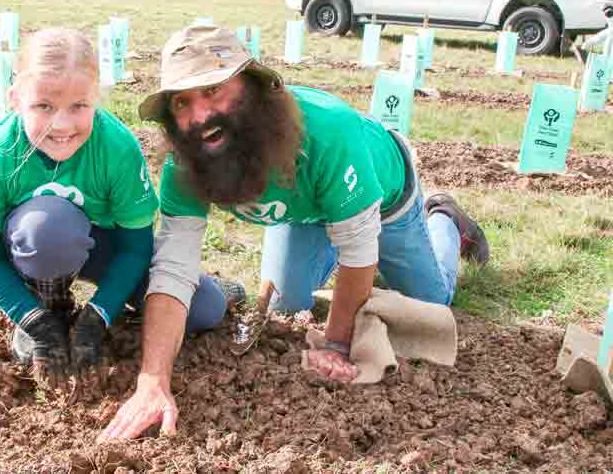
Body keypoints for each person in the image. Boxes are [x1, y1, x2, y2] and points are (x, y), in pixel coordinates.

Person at [98, 25, 489, 441]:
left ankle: (444, 219)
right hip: (303, 214)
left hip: (384, 195)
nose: (199, 115)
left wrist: (336, 344)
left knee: (432, 300)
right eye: (182, 102)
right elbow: (173, 267)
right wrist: (152, 381)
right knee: (287, 306)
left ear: (251, 86)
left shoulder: (327, 131)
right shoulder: (186, 165)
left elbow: (357, 248)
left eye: (213, 90)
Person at [0, 28, 161, 390]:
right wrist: (35, 322)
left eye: (78, 106)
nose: (61, 125)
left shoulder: (117, 148)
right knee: (49, 231)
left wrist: (98, 316)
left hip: (103, 249)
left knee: (201, 308)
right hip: (35, 250)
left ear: (96, 99)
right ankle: (48, 308)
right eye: (44, 106)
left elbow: (135, 248)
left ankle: (216, 290)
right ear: (16, 99)